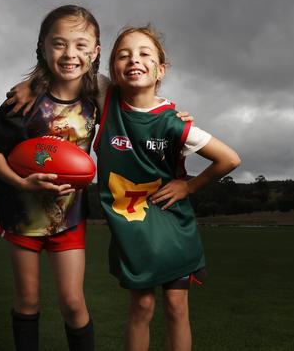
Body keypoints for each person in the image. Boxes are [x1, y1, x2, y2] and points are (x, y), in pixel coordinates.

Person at [93, 26, 240, 351]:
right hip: (132, 227)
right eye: (123, 54)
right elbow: (63, 70)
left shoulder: (175, 123)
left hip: (172, 224)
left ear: (161, 70)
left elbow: (229, 159)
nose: (134, 59)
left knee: (176, 308)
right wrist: (24, 87)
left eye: (145, 54)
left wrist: (187, 187)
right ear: (112, 70)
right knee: (141, 307)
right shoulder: (105, 99)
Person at [0, 5, 100, 351]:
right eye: (59, 44)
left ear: (94, 53)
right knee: (28, 299)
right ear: (43, 47)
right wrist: (21, 183)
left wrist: (169, 109)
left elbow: (137, 98)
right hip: (23, 216)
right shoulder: (23, 102)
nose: (70, 54)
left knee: (73, 303)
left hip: (70, 216)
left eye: (81, 45)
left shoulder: (98, 99)